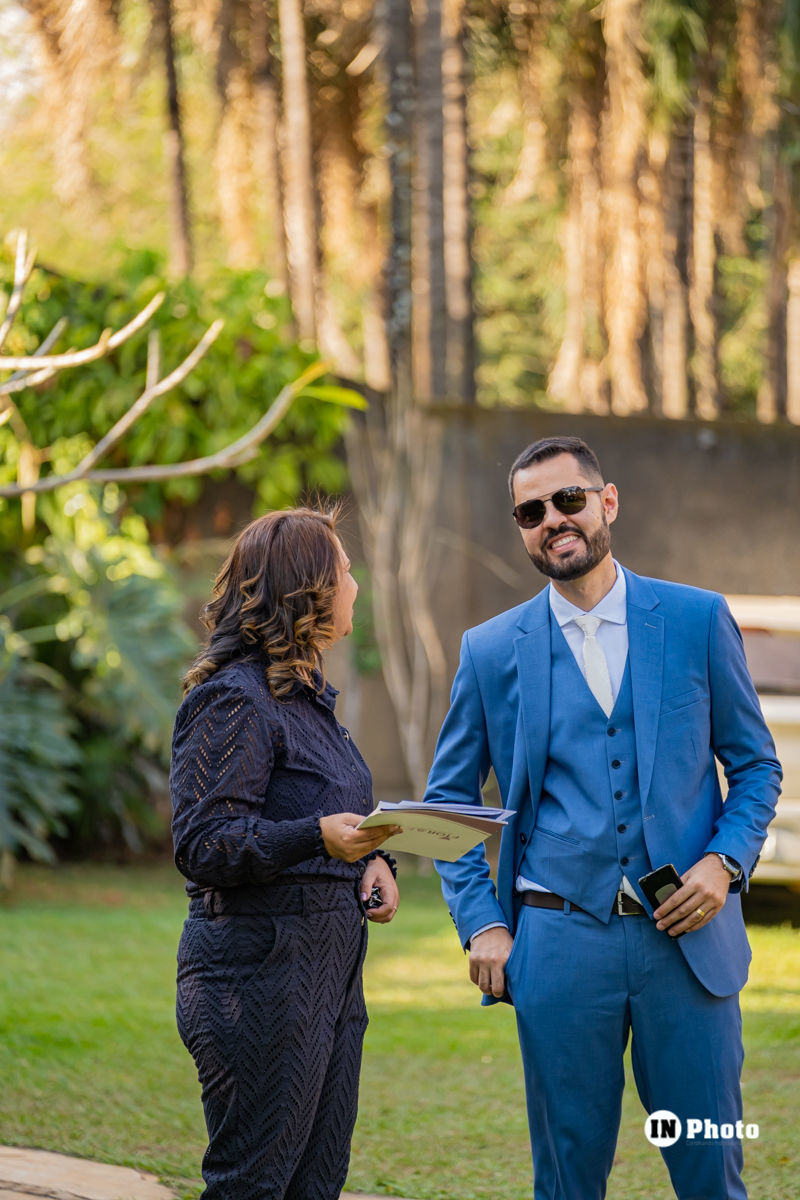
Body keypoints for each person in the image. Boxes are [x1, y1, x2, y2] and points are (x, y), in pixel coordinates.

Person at [424, 435, 781, 1199]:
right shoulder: (490, 651)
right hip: (557, 946)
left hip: (686, 946)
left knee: (712, 1169)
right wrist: (482, 923)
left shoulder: (694, 619)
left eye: (568, 500)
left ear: (607, 502)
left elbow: (755, 767)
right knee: (565, 1180)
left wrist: (724, 864)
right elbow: (448, 807)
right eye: (531, 511)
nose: (553, 519)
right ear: (520, 528)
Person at [170, 506, 401, 1200]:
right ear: (307, 590)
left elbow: (325, 818)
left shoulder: (307, 701)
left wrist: (368, 860)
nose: (357, 584)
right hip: (258, 978)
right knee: (252, 1186)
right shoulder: (232, 701)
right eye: (346, 570)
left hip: (328, 977)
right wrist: (317, 837)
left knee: (316, 1184)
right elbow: (204, 844)